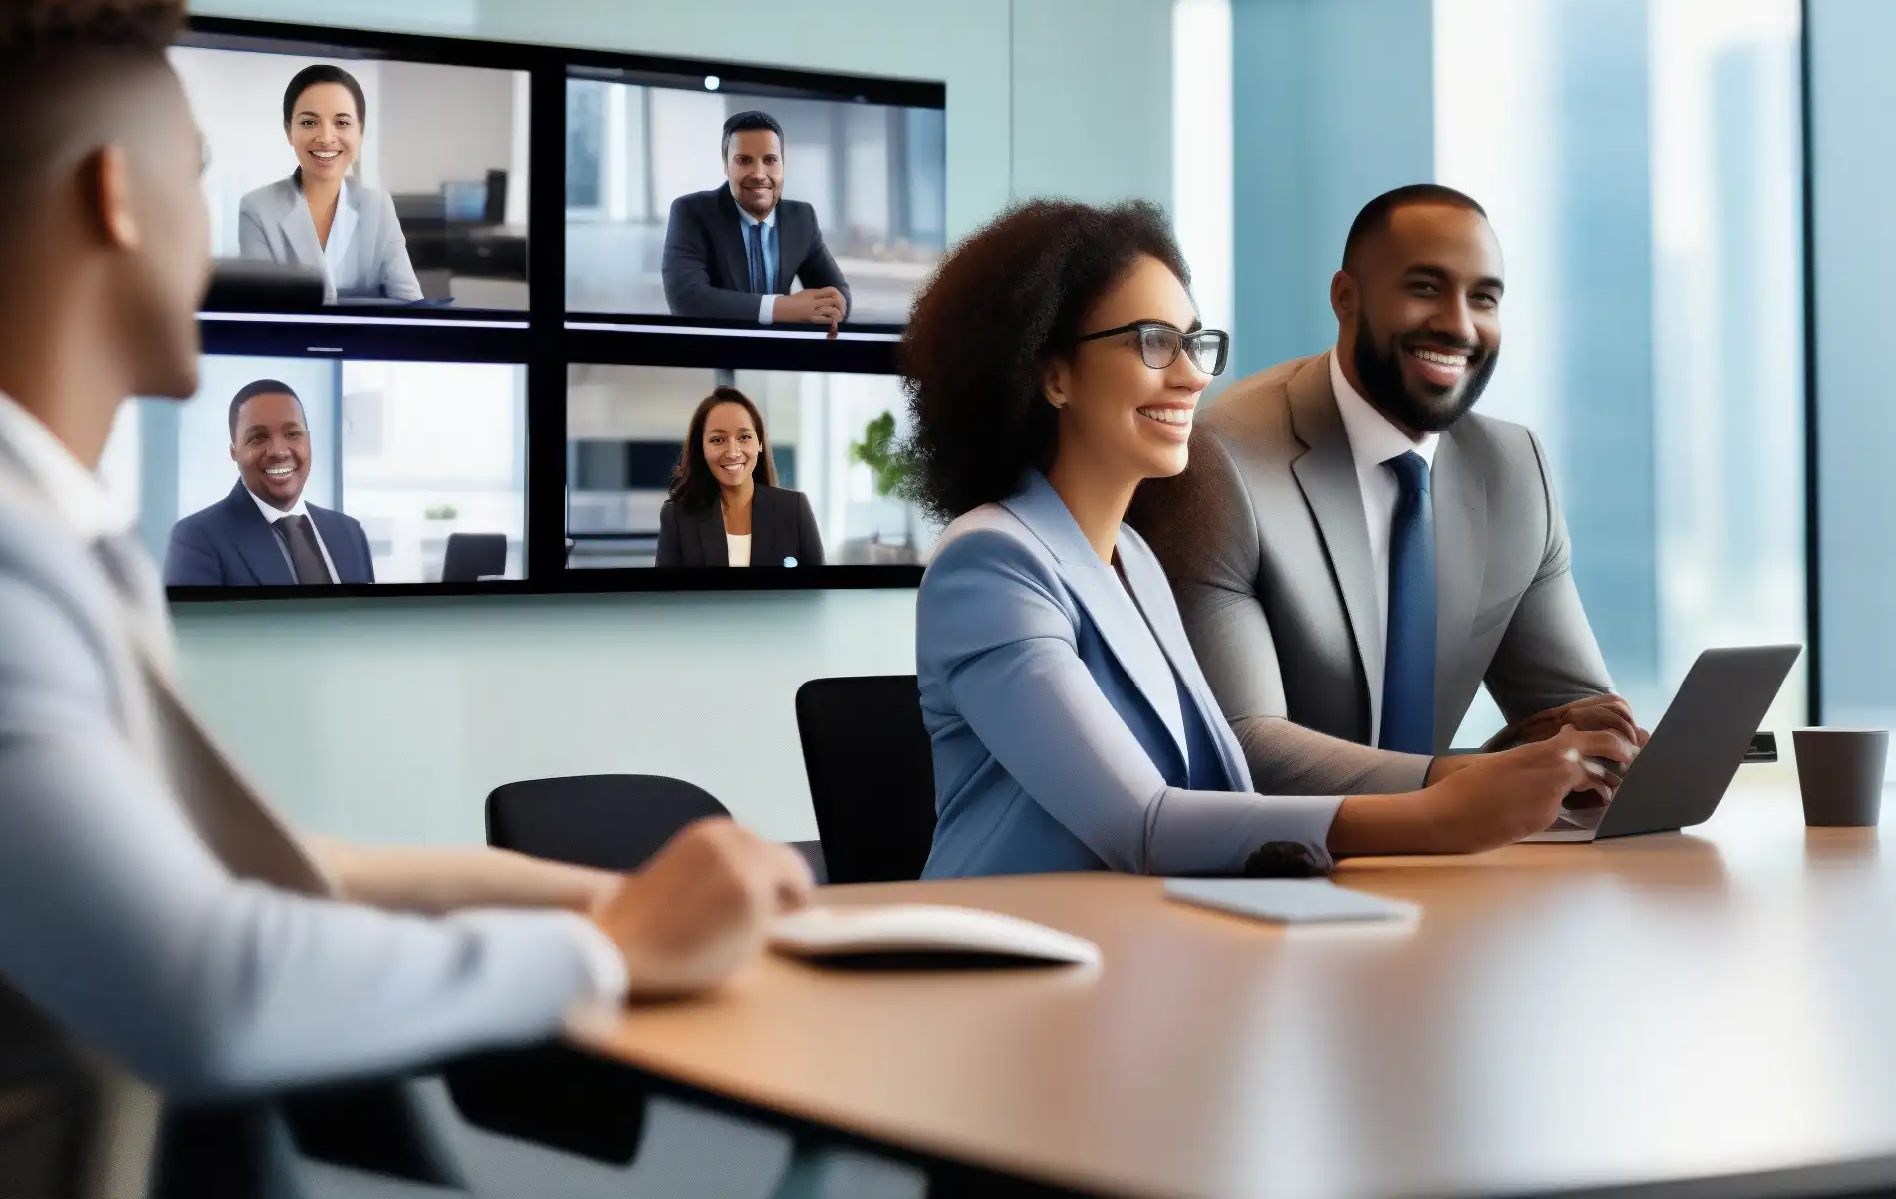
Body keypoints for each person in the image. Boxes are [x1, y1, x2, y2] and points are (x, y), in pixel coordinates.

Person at [0, 0, 812, 1196]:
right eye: (193, 181)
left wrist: (601, 898)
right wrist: (616, 952)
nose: (216, 231)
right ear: (116, 200)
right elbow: (209, 982)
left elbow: (257, 866)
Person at [899, 198, 1634, 880]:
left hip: (1139, 950)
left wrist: (1508, 771)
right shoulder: (990, 564)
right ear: (1052, 373)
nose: (1192, 376)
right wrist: (1438, 809)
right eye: (1154, 342)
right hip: (1002, 965)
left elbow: (1223, 786)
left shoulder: (1137, 561)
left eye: (1195, 343)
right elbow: (1145, 825)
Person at [1130, 184, 1647, 796]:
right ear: (1346, 299)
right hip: (1279, 868)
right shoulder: (1222, 457)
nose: (1458, 325)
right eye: (1425, 289)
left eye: (1483, 298)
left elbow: (1575, 724)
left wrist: (1576, 751)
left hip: (1446, 870)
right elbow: (1240, 744)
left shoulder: (1514, 469)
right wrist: (1463, 780)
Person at [236, 63, 423, 303]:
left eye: (342, 123)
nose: (325, 138)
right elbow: (259, 310)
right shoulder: (257, 208)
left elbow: (410, 302)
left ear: (360, 132)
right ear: (288, 131)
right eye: (309, 122)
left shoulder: (377, 204)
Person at [164, 378, 374, 586]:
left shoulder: (350, 533)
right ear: (234, 452)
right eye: (258, 438)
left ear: (308, 441)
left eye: (292, 434)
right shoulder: (196, 540)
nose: (279, 452)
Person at [659, 110, 851, 330]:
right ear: (725, 166)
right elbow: (687, 300)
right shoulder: (691, 211)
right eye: (744, 160)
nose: (759, 174)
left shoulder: (802, 217)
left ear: (783, 165)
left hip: (783, 355)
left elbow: (839, 295)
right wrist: (785, 308)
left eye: (770, 160)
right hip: (724, 352)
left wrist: (835, 307)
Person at [656, 386, 824, 568]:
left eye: (744, 437)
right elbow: (665, 594)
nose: (733, 452)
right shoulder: (677, 516)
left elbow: (819, 591)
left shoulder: (794, 509)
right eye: (718, 440)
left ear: (759, 443)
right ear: (701, 448)